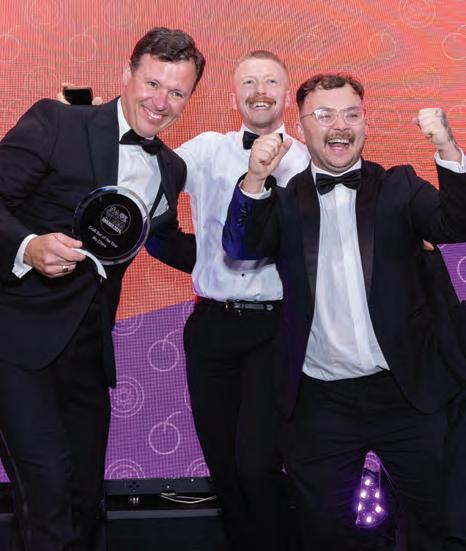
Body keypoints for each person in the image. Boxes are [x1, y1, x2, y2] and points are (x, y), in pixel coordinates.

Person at [222, 72, 466, 550]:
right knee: (324, 533)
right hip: (321, 402)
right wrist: (254, 178)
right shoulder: (285, 199)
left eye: (351, 114)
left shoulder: (399, 186)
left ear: (365, 123)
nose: (340, 125)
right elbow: (241, 245)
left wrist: (447, 147)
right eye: (325, 114)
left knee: (438, 524)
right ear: (300, 126)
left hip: (407, 393)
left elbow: (456, 223)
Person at [0, 27, 204, 551]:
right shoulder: (58, 121)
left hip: (89, 356)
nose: (161, 102)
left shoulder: (171, 169)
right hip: (18, 345)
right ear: (127, 73)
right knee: (46, 494)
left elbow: (166, 243)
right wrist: (27, 246)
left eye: (177, 92)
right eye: (152, 84)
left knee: (85, 500)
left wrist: (263, 248)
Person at [147, 50, 310, 551]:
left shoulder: (307, 159)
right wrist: (206, 261)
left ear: (286, 93)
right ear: (234, 94)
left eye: (271, 82)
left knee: (257, 463)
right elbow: (149, 187)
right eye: (249, 82)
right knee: (223, 467)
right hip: (212, 325)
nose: (260, 91)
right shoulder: (206, 150)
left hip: (275, 327)